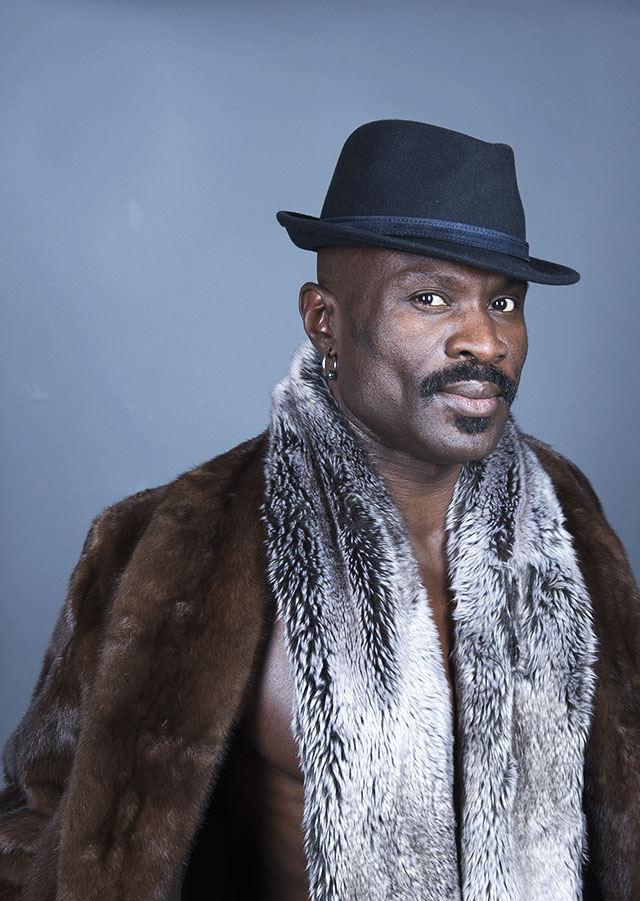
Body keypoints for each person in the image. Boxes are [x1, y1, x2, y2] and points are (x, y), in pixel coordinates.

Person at [1, 120, 638, 901]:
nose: (485, 338)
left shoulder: (566, 524)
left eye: (504, 301)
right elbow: (39, 815)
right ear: (323, 319)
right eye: (430, 296)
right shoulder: (172, 548)